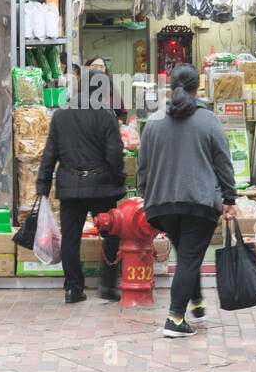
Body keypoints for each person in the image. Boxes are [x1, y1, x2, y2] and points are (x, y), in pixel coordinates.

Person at [137, 64, 237, 338]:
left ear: (170, 87)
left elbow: (142, 167)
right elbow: (223, 162)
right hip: (199, 202)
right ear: (198, 88)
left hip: (162, 205)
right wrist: (230, 196)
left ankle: (197, 301)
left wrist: (145, 194)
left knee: (186, 254)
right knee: (190, 256)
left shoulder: (154, 121)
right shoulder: (209, 120)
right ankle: (175, 319)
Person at [36, 68, 126, 304]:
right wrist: (120, 179)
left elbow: (49, 154)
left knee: (71, 238)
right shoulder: (106, 114)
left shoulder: (61, 115)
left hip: (70, 187)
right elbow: (114, 154)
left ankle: (73, 288)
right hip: (101, 186)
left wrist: (42, 186)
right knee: (111, 233)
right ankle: (107, 284)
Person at [85, 56, 128, 123]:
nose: (98, 69)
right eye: (95, 66)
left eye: (101, 66)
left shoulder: (112, 90)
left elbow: (122, 114)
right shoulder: (80, 88)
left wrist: (115, 124)